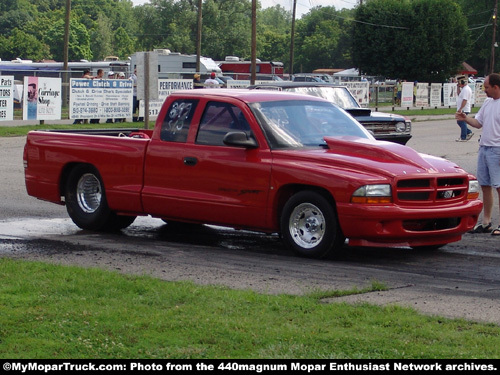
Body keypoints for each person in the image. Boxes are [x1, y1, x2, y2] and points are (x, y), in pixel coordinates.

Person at [455, 73, 500, 235]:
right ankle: (486, 222)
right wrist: (465, 118)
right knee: (485, 186)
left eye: (487, 87)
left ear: (496, 87)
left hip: (497, 150)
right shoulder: (488, 103)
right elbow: (478, 123)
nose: (484, 90)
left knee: (499, 186)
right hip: (484, 148)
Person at [455, 76, 474, 142]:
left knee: (461, 121)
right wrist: (458, 87)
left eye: (459, 82)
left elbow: (465, 100)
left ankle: (463, 137)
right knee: (459, 121)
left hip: (464, 109)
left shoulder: (466, 89)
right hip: (463, 108)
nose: (458, 84)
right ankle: (468, 132)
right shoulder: (464, 89)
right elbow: (459, 94)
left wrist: (461, 108)